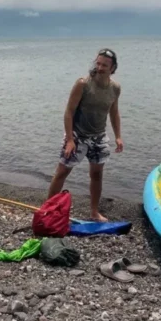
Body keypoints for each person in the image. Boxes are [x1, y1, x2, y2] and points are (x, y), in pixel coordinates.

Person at [47, 48, 123, 222]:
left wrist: (118, 136)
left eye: (104, 65)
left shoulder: (115, 88)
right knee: (62, 172)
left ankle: (94, 212)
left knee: (97, 175)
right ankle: (48, 210)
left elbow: (114, 112)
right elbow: (69, 112)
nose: (100, 67)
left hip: (99, 136)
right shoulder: (83, 84)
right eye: (98, 63)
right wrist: (70, 140)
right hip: (77, 135)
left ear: (113, 68)